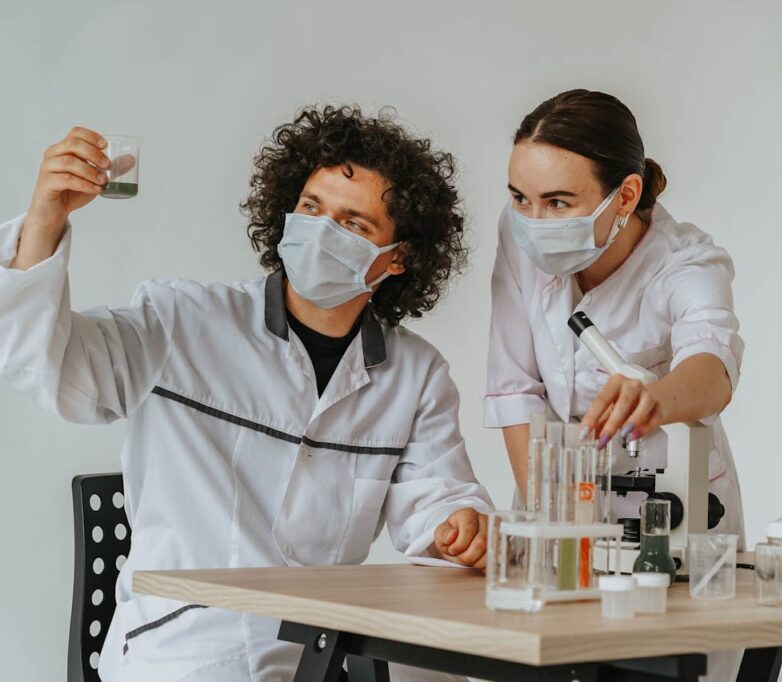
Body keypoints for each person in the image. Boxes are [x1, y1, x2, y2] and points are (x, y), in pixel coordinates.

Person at [0, 106, 492, 681]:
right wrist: (43, 221)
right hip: (183, 650)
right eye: (311, 209)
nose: (323, 232)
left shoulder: (416, 375)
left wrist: (462, 526)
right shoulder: (180, 321)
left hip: (317, 651)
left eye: (353, 225)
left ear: (398, 258)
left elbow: (437, 503)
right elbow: (47, 367)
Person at [484, 89, 745, 681]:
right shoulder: (521, 233)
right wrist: (551, 524)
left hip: (671, 520)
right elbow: (515, 385)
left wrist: (655, 398)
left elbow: (713, 366)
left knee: (657, 664)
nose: (534, 221)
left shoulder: (685, 262)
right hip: (562, 501)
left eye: (558, 201)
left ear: (625, 194)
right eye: (520, 198)